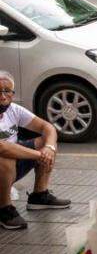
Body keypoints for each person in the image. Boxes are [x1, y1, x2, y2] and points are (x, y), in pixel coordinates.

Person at [0, 71, 70, 230]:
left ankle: (39, 195)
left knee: (47, 141)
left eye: (7, 91)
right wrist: (40, 155)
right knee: (4, 157)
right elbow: (2, 147)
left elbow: (48, 127)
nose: (3, 96)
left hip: (10, 168)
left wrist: (49, 148)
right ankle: (4, 208)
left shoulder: (13, 110)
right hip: (4, 163)